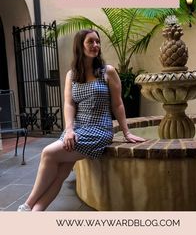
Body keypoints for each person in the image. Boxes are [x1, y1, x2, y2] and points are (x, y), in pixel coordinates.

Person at [17, 29, 145, 211]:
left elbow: (118, 105)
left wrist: (126, 132)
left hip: (99, 130)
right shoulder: (72, 75)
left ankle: (26, 205)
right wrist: (69, 130)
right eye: (90, 42)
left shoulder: (107, 72)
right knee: (60, 173)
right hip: (76, 129)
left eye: (97, 42)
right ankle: (36, 213)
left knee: (48, 153)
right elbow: (69, 104)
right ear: (80, 45)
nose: (96, 46)